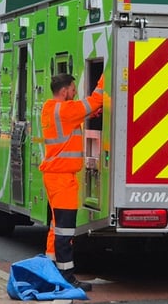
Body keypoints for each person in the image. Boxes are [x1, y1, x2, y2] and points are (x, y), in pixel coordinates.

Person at [40, 73, 104, 292]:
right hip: (62, 178)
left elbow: (78, 115)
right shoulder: (64, 110)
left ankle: (50, 269)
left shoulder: (51, 109)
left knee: (56, 227)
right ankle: (67, 276)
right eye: (73, 89)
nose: (75, 92)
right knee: (65, 231)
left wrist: (91, 112)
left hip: (55, 176)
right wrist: (106, 77)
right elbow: (94, 100)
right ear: (64, 90)